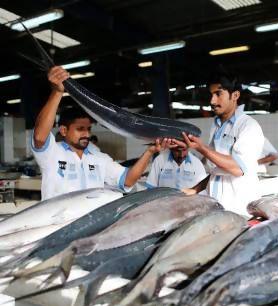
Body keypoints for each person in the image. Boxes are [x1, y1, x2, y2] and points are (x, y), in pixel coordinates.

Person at [32, 66, 168, 200]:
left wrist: (149, 152)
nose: (86, 134)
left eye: (88, 129)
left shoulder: (99, 159)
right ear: (63, 130)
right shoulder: (52, 154)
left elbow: (127, 181)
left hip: (92, 221)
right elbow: (39, 137)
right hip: (60, 222)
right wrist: (57, 93)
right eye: (80, 129)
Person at [171, 72, 264, 216]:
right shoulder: (217, 126)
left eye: (218, 94)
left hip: (239, 210)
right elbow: (217, 170)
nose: (212, 101)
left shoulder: (248, 126)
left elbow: (237, 168)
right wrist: (195, 189)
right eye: (211, 95)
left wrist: (201, 148)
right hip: (217, 207)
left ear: (235, 95)